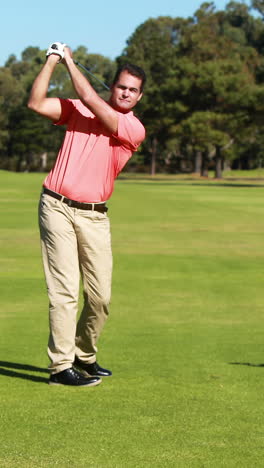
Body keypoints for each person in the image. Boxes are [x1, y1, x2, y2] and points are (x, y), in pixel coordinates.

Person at [28, 42, 146, 387]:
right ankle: (61, 367)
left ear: (139, 97)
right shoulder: (77, 108)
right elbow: (35, 102)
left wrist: (70, 62)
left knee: (100, 297)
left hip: (95, 216)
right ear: (114, 86)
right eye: (122, 86)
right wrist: (52, 61)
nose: (125, 93)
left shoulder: (132, 129)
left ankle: (85, 354)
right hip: (56, 207)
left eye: (133, 90)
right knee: (64, 291)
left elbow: (94, 102)